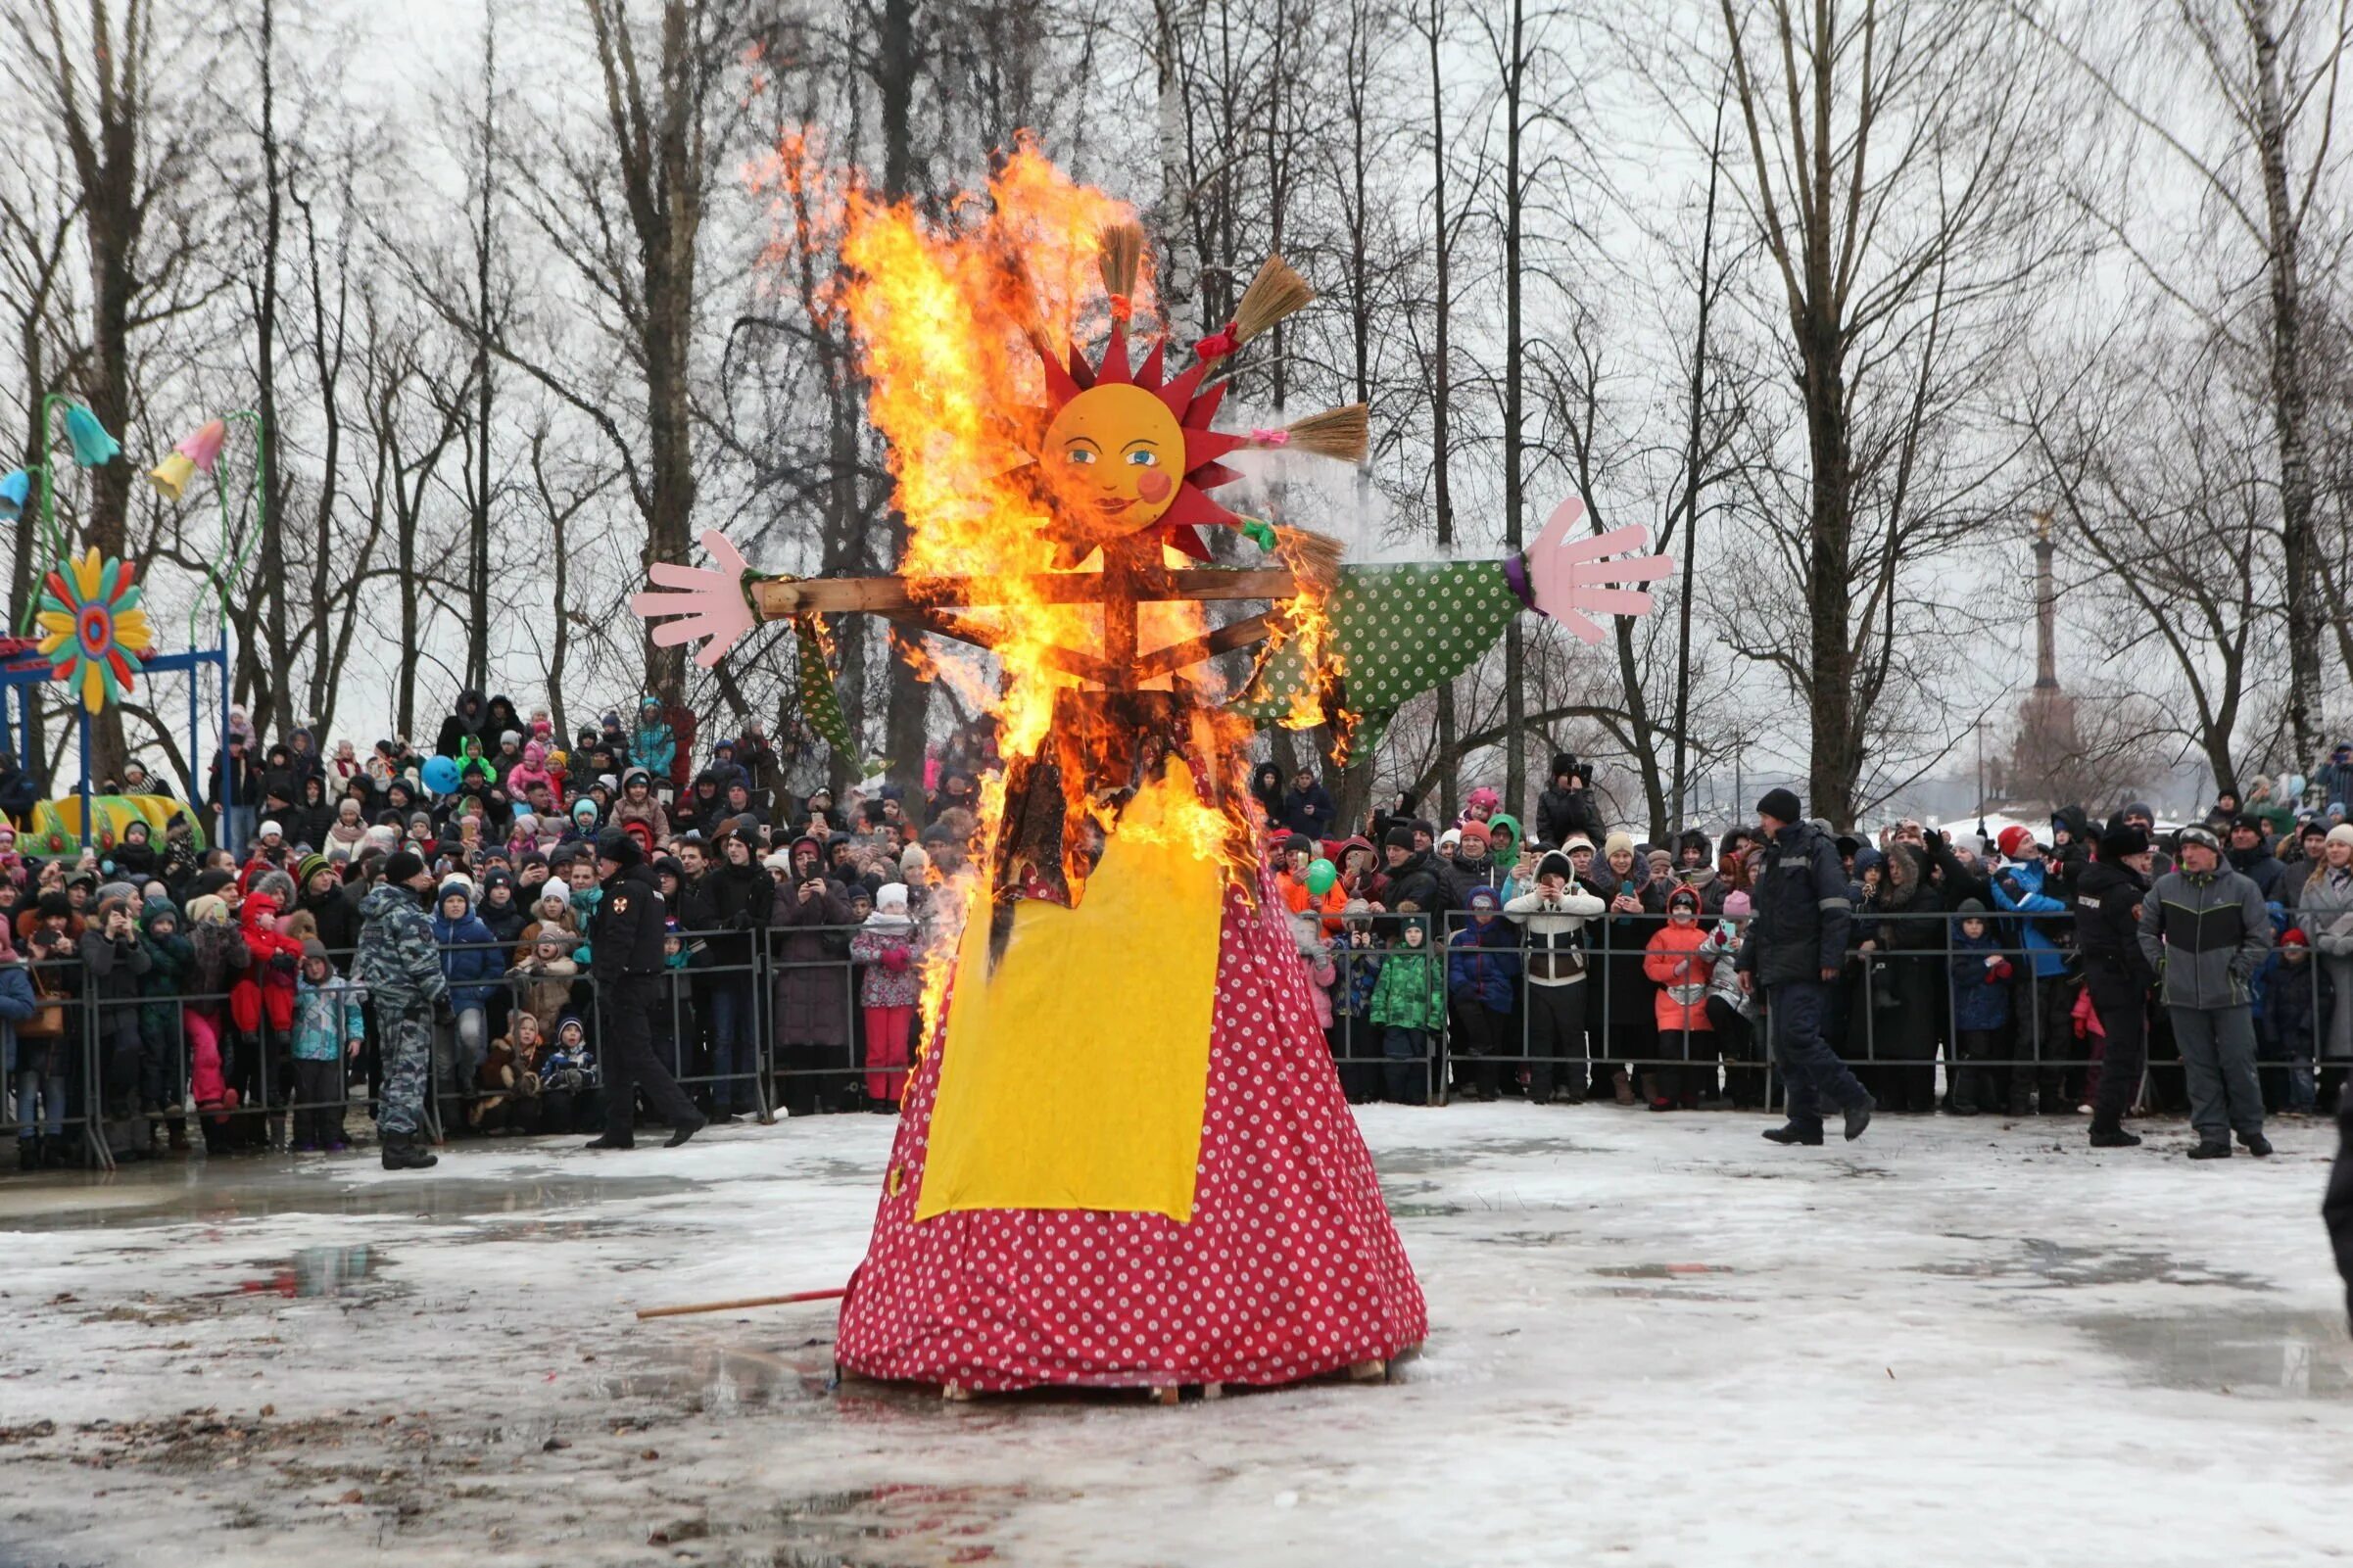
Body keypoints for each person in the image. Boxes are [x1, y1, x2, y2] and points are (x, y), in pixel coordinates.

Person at [1740, 787, 1873, 1145]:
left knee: (1799, 1036)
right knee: (1784, 1046)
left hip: (1806, 962)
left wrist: (1831, 958)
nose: (1762, 823)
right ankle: (1805, 1121)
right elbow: (1760, 917)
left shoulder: (1817, 848)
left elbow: (1835, 908)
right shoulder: (1771, 854)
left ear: (1780, 816)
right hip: (1777, 962)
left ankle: (1854, 1097)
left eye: (1765, 816)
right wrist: (1746, 961)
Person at [2138, 826, 2273, 1159]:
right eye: (2184, 849)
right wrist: (2163, 966)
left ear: (2214, 851)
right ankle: (2212, 1134)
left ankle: (2250, 1128)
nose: (2188, 854)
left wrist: (2239, 968)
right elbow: (2146, 931)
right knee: (2199, 1067)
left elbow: (2260, 938)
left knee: (2239, 1062)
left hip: (2229, 994)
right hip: (2183, 995)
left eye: (2196, 848)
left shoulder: (2243, 888)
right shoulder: (2165, 887)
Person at [582, 829, 704, 1150]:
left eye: (604, 862)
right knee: (617, 1059)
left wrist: (606, 977)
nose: (601, 868)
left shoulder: (626, 892)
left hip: (627, 982)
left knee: (638, 1055)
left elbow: (620, 938)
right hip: (642, 980)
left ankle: (684, 1114)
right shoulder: (649, 889)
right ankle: (619, 1128)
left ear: (618, 863)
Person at [352, 852, 450, 1170]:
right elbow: (422, 963)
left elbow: (365, 959)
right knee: (409, 1072)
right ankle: (398, 1143)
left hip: (384, 1002)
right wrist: (441, 999)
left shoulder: (375, 913)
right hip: (409, 1003)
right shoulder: (408, 915)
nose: (427, 876)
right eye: (422, 871)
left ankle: (391, 1133)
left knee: (392, 1069)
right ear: (408, 877)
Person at [1504, 849, 1605, 1103]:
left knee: (1572, 1036)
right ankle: (1540, 1088)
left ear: (1566, 878)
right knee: (1540, 1035)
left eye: (1558, 876)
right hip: (1537, 980)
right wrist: (1536, 898)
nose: (1553, 881)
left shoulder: (1575, 894)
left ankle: (1577, 1087)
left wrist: (1563, 900)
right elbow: (1511, 911)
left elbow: (1597, 908)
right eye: (1547, 876)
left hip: (1571, 979)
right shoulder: (1531, 897)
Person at [847, 881, 921, 1110]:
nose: (895, 909)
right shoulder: (870, 928)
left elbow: (923, 948)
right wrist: (882, 955)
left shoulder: (911, 928)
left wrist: (905, 954)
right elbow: (856, 950)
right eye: (889, 905)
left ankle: (896, 1095)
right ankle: (877, 1095)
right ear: (880, 907)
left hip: (902, 995)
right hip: (875, 995)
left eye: (899, 905)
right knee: (877, 1048)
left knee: (898, 1048)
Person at [289, 939, 363, 1153]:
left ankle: (331, 1136)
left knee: (331, 1097)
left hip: (333, 1051)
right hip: (304, 1051)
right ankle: (304, 1138)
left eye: (318, 963)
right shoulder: (299, 986)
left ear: (325, 962)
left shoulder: (340, 985)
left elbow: (354, 1013)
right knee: (305, 1098)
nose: (314, 969)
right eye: (309, 965)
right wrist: (295, 971)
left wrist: (356, 1038)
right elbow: (291, 1002)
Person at [2298, 824, 2353, 1105]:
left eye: (2341, 845)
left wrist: (2346, 942)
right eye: (2331, 845)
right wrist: (2323, 940)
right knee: (2331, 1029)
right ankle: (2329, 1090)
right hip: (2325, 964)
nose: (2334, 850)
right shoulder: (2313, 883)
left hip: (2351, 962)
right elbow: (2304, 917)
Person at [1367, 912, 1443, 1105]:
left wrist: (1435, 1018)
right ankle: (1395, 1095)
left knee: (1419, 1061)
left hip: (1419, 1020)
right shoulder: (1394, 959)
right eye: (1409, 931)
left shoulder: (1429, 959)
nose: (1413, 935)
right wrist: (1378, 1013)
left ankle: (1415, 1095)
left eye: (1417, 931)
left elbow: (1437, 990)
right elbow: (1382, 986)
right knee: (1395, 1059)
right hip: (1395, 1018)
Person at [1534, 754, 1605, 852]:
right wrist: (1558, 853)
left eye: (1574, 774)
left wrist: (1576, 795)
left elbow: (1589, 823)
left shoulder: (1586, 794)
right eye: (1566, 775)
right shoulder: (1546, 798)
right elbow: (1544, 830)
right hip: (1558, 849)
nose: (1571, 779)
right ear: (1556, 777)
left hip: (1587, 847)